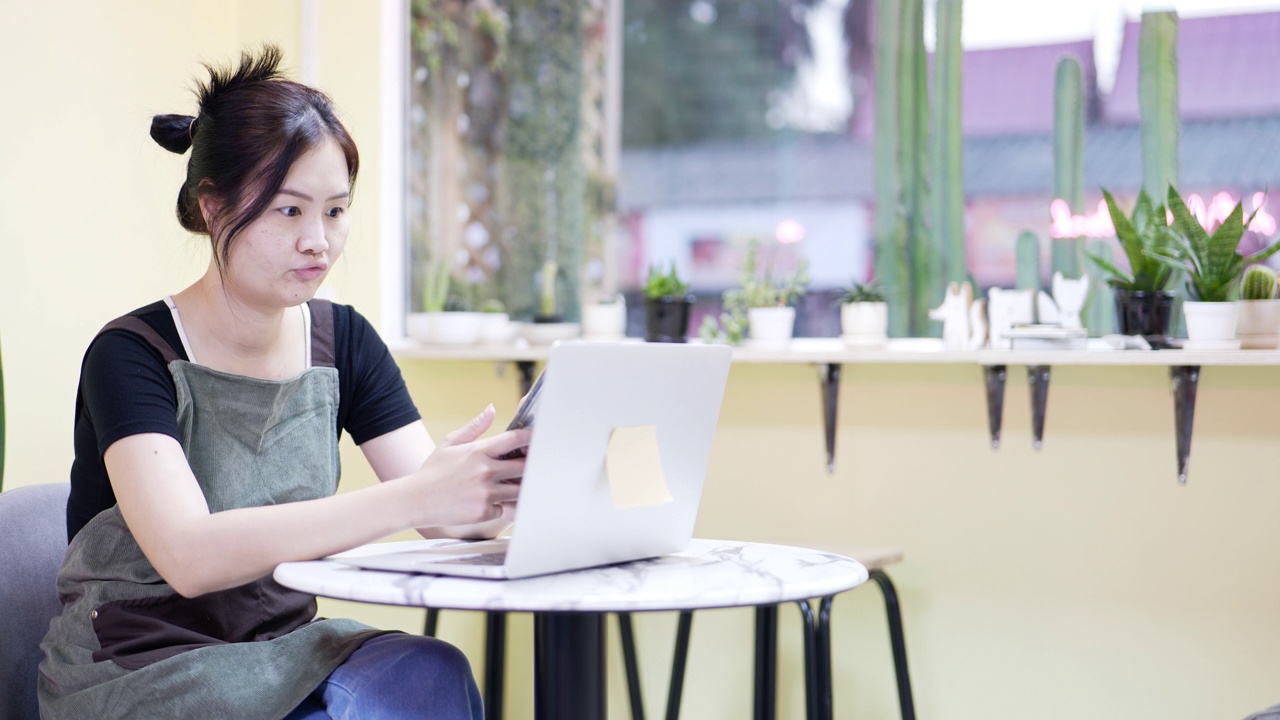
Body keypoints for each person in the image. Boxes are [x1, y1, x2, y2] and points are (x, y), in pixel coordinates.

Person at [38, 46, 529, 720]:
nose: (318, 243)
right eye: (289, 211)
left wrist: (502, 486)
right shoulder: (131, 354)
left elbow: (438, 508)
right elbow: (189, 556)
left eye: (335, 211)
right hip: (141, 666)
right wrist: (418, 496)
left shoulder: (343, 339)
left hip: (283, 648)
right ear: (213, 208)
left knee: (427, 674)